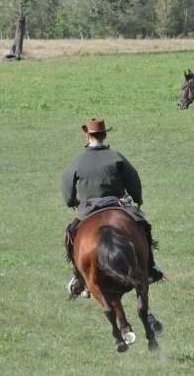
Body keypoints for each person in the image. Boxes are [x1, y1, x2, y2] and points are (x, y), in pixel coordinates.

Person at [61, 118, 163, 296]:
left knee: (72, 233)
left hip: (89, 208)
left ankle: (79, 276)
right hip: (118, 204)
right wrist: (137, 198)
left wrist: (72, 201)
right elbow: (133, 179)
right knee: (143, 227)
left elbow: (66, 183)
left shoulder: (78, 159)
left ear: (87, 135)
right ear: (105, 134)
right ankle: (149, 268)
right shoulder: (116, 156)